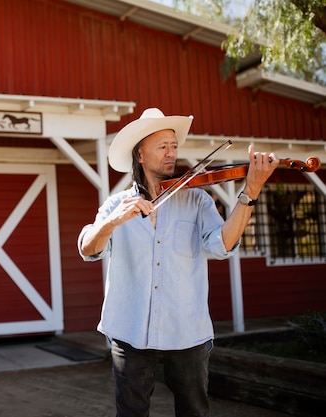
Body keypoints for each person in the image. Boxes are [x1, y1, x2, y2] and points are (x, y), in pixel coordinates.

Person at [77, 108, 278, 417]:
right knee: (130, 412)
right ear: (141, 154)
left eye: (174, 146)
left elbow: (222, 245)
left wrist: (250, 190)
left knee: (194, 412)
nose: (171, 153)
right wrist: (112, 223)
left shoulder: (198, 200)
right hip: (130, 332)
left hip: (187, 332)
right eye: (162, 146)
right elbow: (88, 249)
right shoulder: (117, 205)